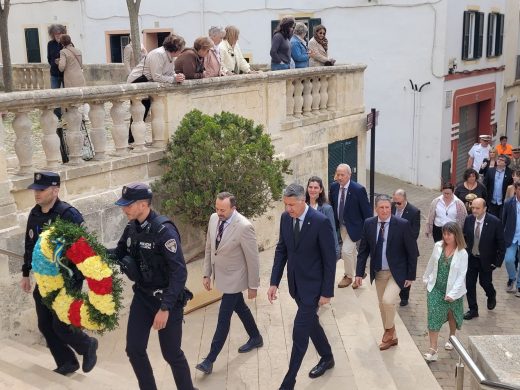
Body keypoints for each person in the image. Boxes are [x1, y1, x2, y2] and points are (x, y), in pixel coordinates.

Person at [112, 183, 196, 390]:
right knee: (134, 349)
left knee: (171, 354)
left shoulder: (164, 230)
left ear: (143, 204)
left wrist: (165, 308)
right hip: (142, 296)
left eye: (128, 205)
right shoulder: (132, 227)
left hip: (167, 300)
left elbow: (179, 272)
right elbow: (119, 252)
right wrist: (90, 252)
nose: (124, 209)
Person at [21, 171, 98, 376]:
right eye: (35, 190)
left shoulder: (68, 215)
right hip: (45, 280)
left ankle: (87, 345)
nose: (37, 194)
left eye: (42, 189)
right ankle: (67, 362)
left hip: (68, 279)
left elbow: (87, 247)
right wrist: (25, 272)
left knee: (61, 324)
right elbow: (30, 245)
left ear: (55, 190)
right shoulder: (35, 213)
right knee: (45, 324)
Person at [268, 183, 336, 390]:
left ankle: (289, 381)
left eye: (291, 205)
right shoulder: (284, 219)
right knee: (311, 324)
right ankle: (327, 357)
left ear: (303, 201)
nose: (288, 209)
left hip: (314, 287)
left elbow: (329, 259)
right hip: (296, 285)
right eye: (285, 205)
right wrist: (274, 282)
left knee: (299, 331)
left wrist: (326, 292)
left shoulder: (320, 222)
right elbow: (282, 250)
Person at [196, 192, 262, 375]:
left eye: (223, 210)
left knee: (223, 318)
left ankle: (209, 359)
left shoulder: (244, 227)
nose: (219, 213)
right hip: (220, 275)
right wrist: (206, 274)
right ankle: (256, 337)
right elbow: (210, 248)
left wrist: (253, 286)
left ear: (234, 208)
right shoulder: (213, 218)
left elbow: (253, 259)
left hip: (235, 278)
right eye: (216, 209)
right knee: (240, 307)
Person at [356, 194, 418, 351]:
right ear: (376, 209)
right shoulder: (369, 224)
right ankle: (392, 337)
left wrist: (411, 275)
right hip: (379, 273)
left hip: (397, 272)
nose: (385, 211)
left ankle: (388, 331)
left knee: (388, 301)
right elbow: (363, 251)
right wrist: (358, 273)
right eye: (381, 208)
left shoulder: (402, 224)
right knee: (382, 306)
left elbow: (412, 252)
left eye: (387, 208)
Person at [127, 34, 186, 144]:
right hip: (139, 81)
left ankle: (134, 139)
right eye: (181, 49)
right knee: (140, 113)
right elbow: (157, 76)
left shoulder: (170, 57)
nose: (182, 51)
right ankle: (132, 141)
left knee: (143, 112)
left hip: (148, 82)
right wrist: (174, 79)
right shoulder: (158, 54)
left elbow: (170, 72)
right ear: (175, 48)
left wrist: (177, 76)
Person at [422, 222, 468, 362]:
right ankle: (433, 349)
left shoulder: (462, 253)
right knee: (433, 316)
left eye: (449, 234)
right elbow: (431, 262)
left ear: (456, 235)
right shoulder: (438, 246)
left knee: (452, 315)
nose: (446, 237)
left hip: (453, 291)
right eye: (444, 233)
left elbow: (461, 275)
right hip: (435, 288)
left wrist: (452, 294)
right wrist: (426, 278)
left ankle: (452, 337)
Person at [329, 163, 372, 288]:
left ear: (349, 175)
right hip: (341, 225)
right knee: (352, 252)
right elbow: (333, 205)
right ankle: (360, 271)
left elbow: (367, 212)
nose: (339, 177)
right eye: (338, 174)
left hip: (355, 227)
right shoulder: (334, 187)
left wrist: (369, 229)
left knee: (346, 251)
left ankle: (348, 276)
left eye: (342, 175)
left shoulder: (358, 190)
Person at [462, 198, 504, 320]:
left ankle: (491, 295)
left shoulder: (495, 222)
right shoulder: (469, 219)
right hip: (471, 258)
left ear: (485, 209)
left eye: (477, 208)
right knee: (469, 284)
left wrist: (496, 262)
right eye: (472, 207)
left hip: (487, 260)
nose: (474, 210)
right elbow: (465, 237)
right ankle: (473, 310)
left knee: (485, 282)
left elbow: (501, 244)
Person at [392, 189, 421, 307]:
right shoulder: (391, 207)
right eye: (395, 202)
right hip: (392, 245)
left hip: (406, 247)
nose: (396, 205)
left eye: (399, 203)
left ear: (405, 200)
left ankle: (404, 297)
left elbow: (414, 233)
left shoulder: (414, 212)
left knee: (406, 272)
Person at [305, 176, 340, 259]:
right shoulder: (303, 207)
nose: (312, 190)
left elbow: (332, 232)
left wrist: (335, 252)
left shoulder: (327, 209)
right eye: (310, 187)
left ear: (321, 190)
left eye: (316, 188)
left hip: (321, 251)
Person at [502, 181, 520, 296]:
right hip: (512, 237)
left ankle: (519, 286)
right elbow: (504, 220)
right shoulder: (509, 203)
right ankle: (512, 278)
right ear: (516, 189)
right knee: (508, 260)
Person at [47, 24, 66, 119]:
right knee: (55, 95)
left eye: (60, 33)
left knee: (68, 94)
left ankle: (68, 112)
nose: (58, 35)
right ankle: (58, 115)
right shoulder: (50, 44)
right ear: (52, 34)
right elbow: (49, 58)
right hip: (54, 73)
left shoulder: (67, 43)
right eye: (56, 33)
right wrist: (54, 63)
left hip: (66, 73)